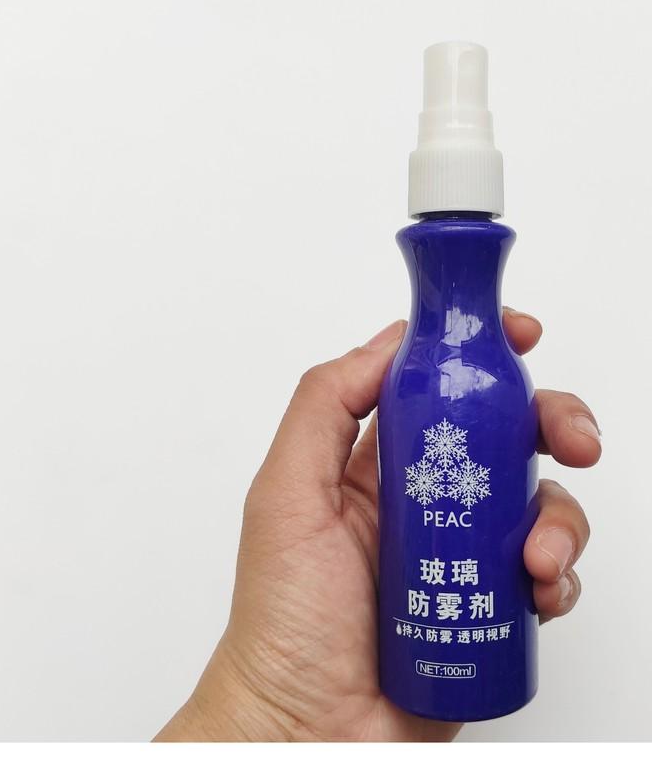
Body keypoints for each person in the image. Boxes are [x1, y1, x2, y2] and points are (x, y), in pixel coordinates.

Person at [156, 308, 601, 741]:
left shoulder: (486, 375)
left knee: (536, 555)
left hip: (454, 632)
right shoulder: (415, 372)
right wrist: (266, 707)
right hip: (334, 677)